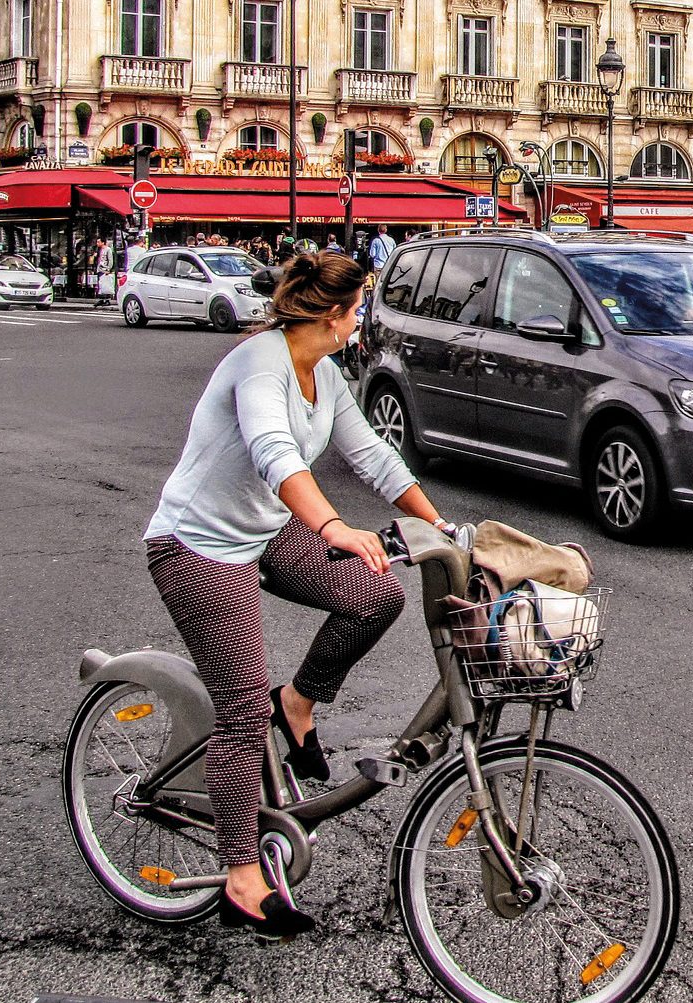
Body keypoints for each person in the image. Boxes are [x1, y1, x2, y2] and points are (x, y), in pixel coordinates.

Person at [143, 252, 456, 939]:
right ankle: (241, 877)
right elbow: (274, 453)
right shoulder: (261, 364)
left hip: (265, 529)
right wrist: (334, 526)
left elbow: (371, 454)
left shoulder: (326, 373)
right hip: (196, 545)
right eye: (359, 310)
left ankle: (299, 703)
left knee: (374, 595)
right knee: (240, 710)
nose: (362, 322)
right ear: (333, 316)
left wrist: (440, 526)